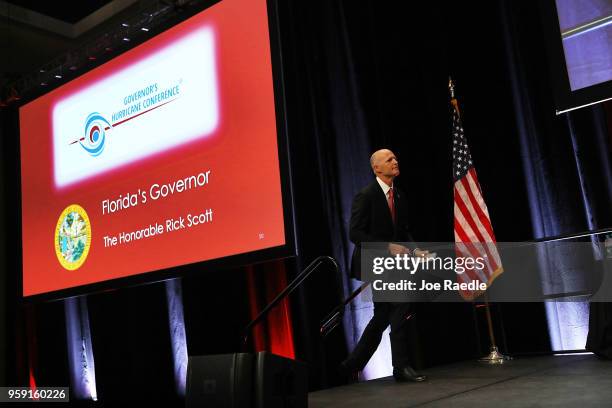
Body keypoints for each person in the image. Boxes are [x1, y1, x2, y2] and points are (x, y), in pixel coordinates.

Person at [340, 148, 427, 382]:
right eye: (389, 159)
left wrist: (416, 249)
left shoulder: (399, 196)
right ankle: (400, 366)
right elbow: (355, 233)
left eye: (395, 157)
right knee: (401, 305)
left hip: (394, 264)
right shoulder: (366, 195)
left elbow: (403, 231)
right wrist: (387, 247)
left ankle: (352, 364)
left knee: (382, 317)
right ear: (377, 168)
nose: (395, 161)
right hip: (374, 261)